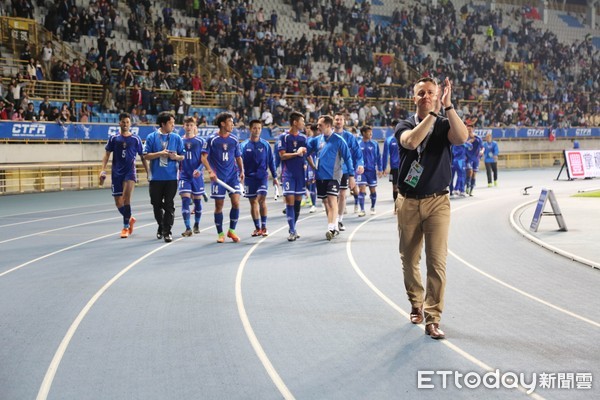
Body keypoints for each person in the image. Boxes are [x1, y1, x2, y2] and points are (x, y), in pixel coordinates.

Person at [394, 77, 468, 339]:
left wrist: (448, 107)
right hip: (408, 201)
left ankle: (432, 317)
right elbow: (412, 142)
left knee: (437, 262)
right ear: (413, 98)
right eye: (421, 93)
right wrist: (434, 113)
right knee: (409, 258)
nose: (426, 96)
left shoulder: (445, 122)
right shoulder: (404, 124)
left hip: (438, 201)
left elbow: (461, 138)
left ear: (438, 95)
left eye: (431, 93)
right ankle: (416, 301)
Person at [99, 112, 148, 238]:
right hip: (116, 173)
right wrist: (102, 170)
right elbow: (106, 155)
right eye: (123, 122)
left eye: (127, 122)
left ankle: (125, 227)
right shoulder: (114, 138)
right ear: (119, 123)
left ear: (130, 123)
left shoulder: (135, 139)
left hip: (129, 172)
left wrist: (148, 172)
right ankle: (129, 218)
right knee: (118, 202)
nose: (125, 124)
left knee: (126, 199)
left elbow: (143, 157)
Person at [306, 115, 355, 240]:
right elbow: (306, 151)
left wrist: (351, 176)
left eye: (320, 125)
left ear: (328, 126)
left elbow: (348, 158)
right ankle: (333, 225)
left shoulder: (339, 140)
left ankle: (331, 228)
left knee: (332, 200)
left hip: (334, 176)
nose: (317, 127)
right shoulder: (316, 140)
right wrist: (312, 165)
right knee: (325, 202)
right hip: (320, 176)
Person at [201, 112, 245, 243]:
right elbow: (203, 157)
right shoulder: (211, 139)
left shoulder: (234, 140)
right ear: (222, 123)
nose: (232, 124)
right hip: (218, 178)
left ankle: (232, 231)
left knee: (236, 202)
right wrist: (210, 171)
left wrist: (242, 170)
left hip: (232, 177)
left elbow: (238, 157)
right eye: (230, 122)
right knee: (219, 205)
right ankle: (220, 233)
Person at [143, 111, 185, 243]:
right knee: (156, 204)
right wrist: (160, 153)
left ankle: (167, 231)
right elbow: (146, 155)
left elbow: (182, 156)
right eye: (171, 123)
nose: (173, 126)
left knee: (168, 204)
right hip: (156, 178)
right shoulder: (151, 137)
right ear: (163, 124)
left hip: (171, 177)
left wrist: (175, 157)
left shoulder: (176, 138)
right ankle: (161, 226)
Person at [241, 119, 278, 237]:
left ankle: (264, 226)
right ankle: (257, 228)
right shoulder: (243, 146)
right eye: (254, 128)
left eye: (259, 128)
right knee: (253, 202)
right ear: (250, 129)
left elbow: (271, 162)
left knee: (261, 198)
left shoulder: (265, 145)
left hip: (262, 177)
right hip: (249, 178)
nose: (257, 130)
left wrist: (275, 176)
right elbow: (238, 162)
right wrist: (239, 174)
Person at [277, 111, 308, 241]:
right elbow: (282, 155)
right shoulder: (284, 137)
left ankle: (294, 228)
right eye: (302, 121)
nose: (304, 123)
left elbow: (307, 155)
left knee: (297, 203)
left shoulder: (304, 138)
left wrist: (311, 166)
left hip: (300, 174)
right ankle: (291, 230)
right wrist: (297, 153)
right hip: (288, 174)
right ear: (295, 122)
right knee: (289, 202)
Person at [332, 112, 364, 231]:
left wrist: (360, 164)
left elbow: (358, 153)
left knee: (342, 195)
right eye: (336, 119)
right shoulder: (329, 136)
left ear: (344, 122)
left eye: (340, 119)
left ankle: (339, 220)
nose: (338, 121)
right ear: (333, 122)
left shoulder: (349, 137)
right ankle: (332, 221)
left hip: (344, 170)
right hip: (331, 171)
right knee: (331, 197)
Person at [178, 116, 205, 237]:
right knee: (185, 200)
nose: (189, 127)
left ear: (195, 127)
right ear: (183, 126)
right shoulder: (179, 140)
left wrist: (199, 170)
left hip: (197, 177)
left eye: (191, 125)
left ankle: (197, 224)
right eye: (186, 125)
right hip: (184, 176)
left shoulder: (200, 142)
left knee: (198, 203)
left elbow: (204, 159)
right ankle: (188, 227)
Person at [356, 126, 382, 216]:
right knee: (361, 189)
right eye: (368, 132)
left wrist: (380, 168)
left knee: (372, 189)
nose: (371, 134)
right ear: (363, 133)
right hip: (361, 171)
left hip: (371, 170)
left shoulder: (374, 143)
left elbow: (378, 157)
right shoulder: (358, 144)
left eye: (371, 132)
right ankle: (362, 209)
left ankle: (373, 207)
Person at [382, 129, 400, 213]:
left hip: (404, 166)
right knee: (395, 187)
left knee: (405, 187)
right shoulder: (389, 140)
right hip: (394, 168)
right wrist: (384, 167)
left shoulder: (403, 137)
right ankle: (396, 207)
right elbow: (385, 154)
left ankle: (404, 207)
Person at [464, 119, 484, 196]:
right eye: (468, 128)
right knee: (469, 172)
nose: (469, 129)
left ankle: (471, 189)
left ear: (473, 129)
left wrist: (482, 151)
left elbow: (482, 147)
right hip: (468, 158)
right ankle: (467, 186)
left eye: (470, 128)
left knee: (474, 174)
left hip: (476, 158)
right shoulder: (465, 137)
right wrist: (468, 142)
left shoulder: (478, 138)